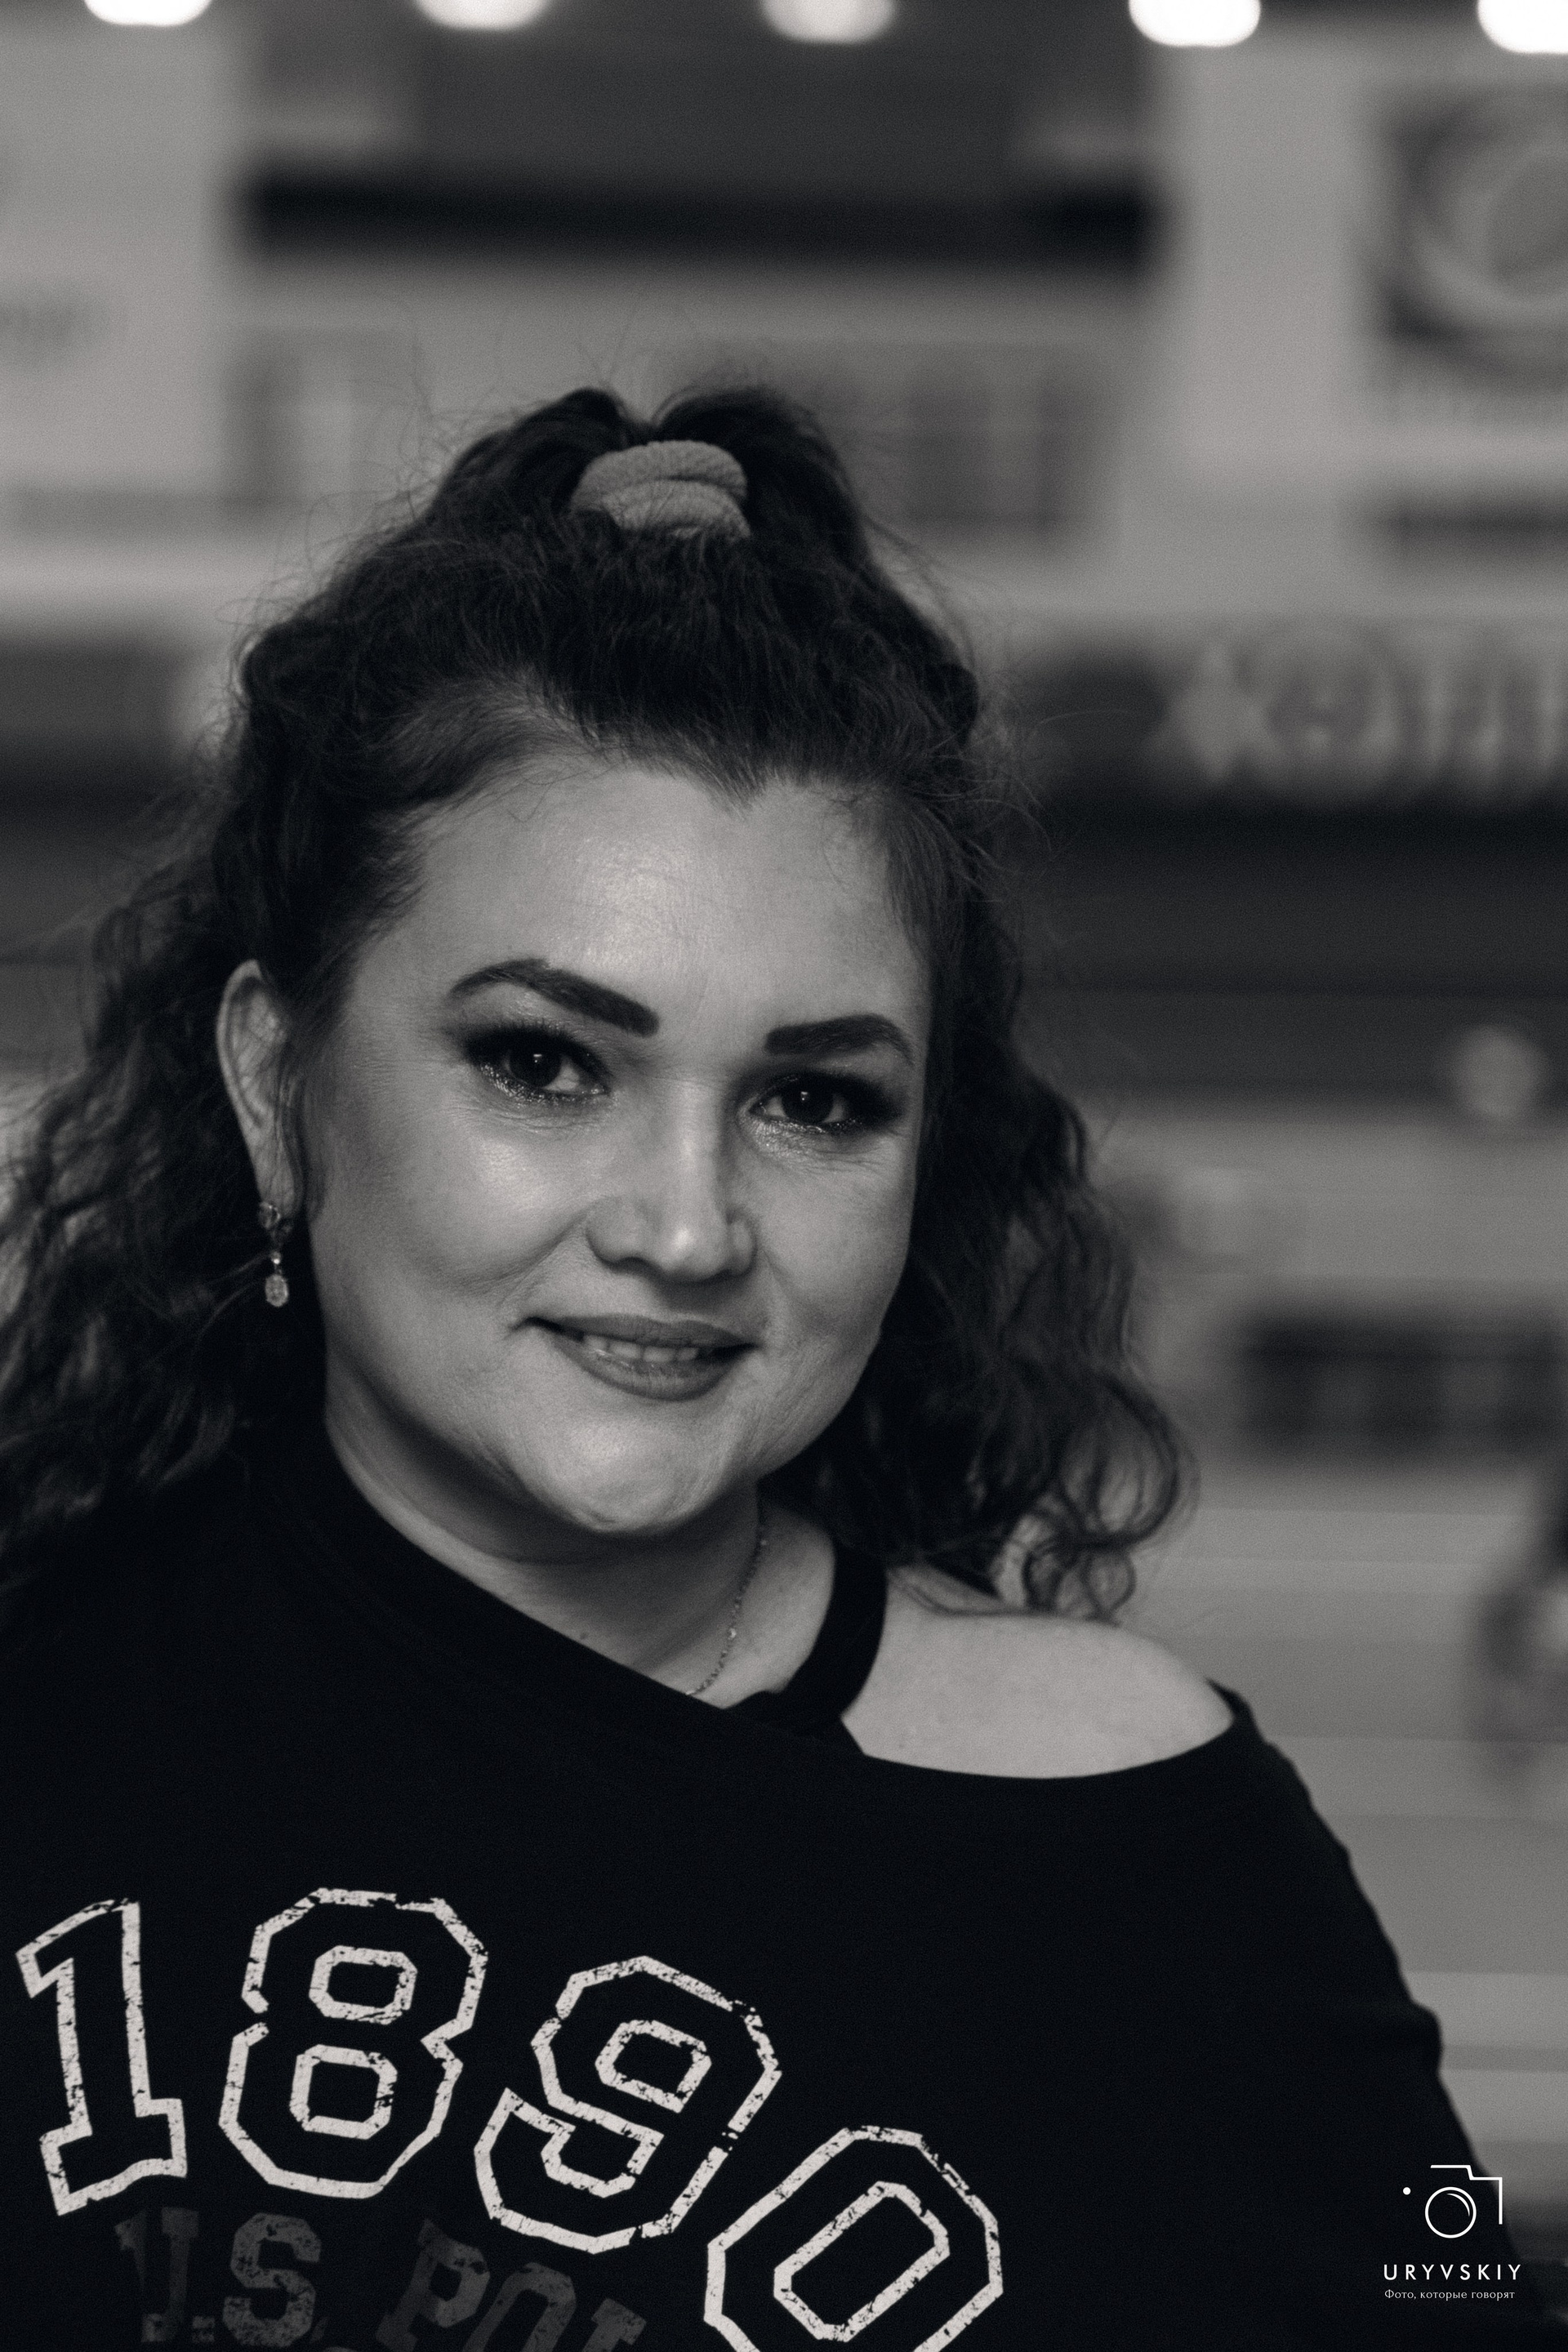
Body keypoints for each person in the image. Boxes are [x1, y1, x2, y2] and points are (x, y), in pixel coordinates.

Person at [0, 390, 1553, 2351]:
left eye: (813, 1100)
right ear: (272, 1081)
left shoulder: (1145, 1849)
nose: (686, 1226)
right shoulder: (42, 1703)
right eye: (542, 1063)